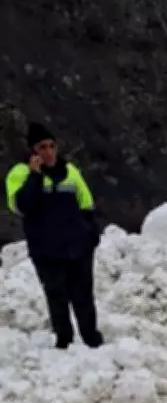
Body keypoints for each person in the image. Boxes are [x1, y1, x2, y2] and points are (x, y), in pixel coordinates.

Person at [4, 122, 104, 349]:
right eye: (42, 147)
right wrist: (35, 176)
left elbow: (86, 203)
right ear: (33, 151)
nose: (48, 152)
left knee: (83, 295)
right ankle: (64, 341)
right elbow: (22, 206)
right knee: (56, 295)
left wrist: (91, 234)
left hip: (78, 245)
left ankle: (92, 340)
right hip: (46, 249)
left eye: (52, 146)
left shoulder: (70, 171)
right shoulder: (19, 174)